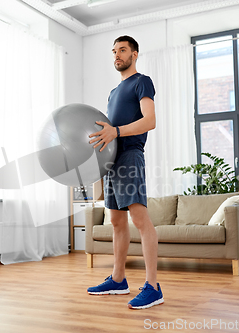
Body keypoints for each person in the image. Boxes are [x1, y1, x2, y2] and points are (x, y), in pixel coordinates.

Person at [87, 35, 163, 310]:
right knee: (117, 222)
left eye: (123, 50)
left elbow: (149, 121)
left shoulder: (142, 81)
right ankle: (118, 279)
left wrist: (116, 131)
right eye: (114, 51)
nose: (117, 55)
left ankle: (153, 287)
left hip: (130, 156)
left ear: (135, 54)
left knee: (140, 220)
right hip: (112, 161)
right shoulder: (113, 92)